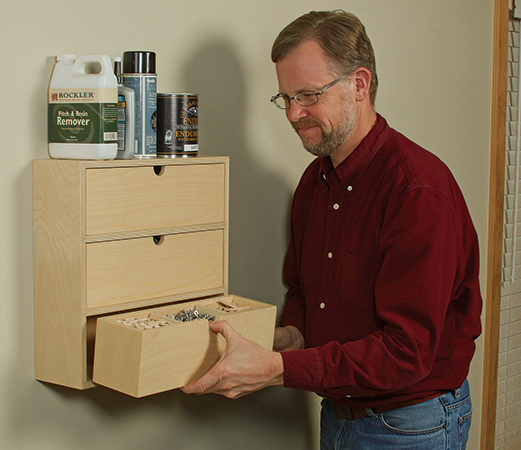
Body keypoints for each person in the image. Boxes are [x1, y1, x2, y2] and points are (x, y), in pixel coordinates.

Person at [182, 10, 482, 450]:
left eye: (307, 94)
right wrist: (289, 337)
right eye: (284, 97)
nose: (292, 113)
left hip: (411, 423)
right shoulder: (313, 184)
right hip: (338, 414)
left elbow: (407, 351)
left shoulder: (417, 191)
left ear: (359, 85)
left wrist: (279, 369)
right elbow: (303, 292)